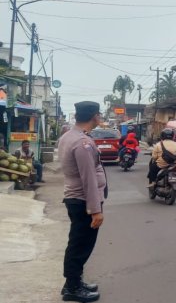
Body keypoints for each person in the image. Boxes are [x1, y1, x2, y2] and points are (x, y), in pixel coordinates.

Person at [57, 101, 107, 302]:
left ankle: (74, 281)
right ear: (95, 116)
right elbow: (89, 179)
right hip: (82, 200)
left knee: (78, 243)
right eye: (99, 115)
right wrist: (95, 210)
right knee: (80, 245)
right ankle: (72, 288)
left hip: (76, 198)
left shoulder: (70, 135)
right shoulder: (82, 143)